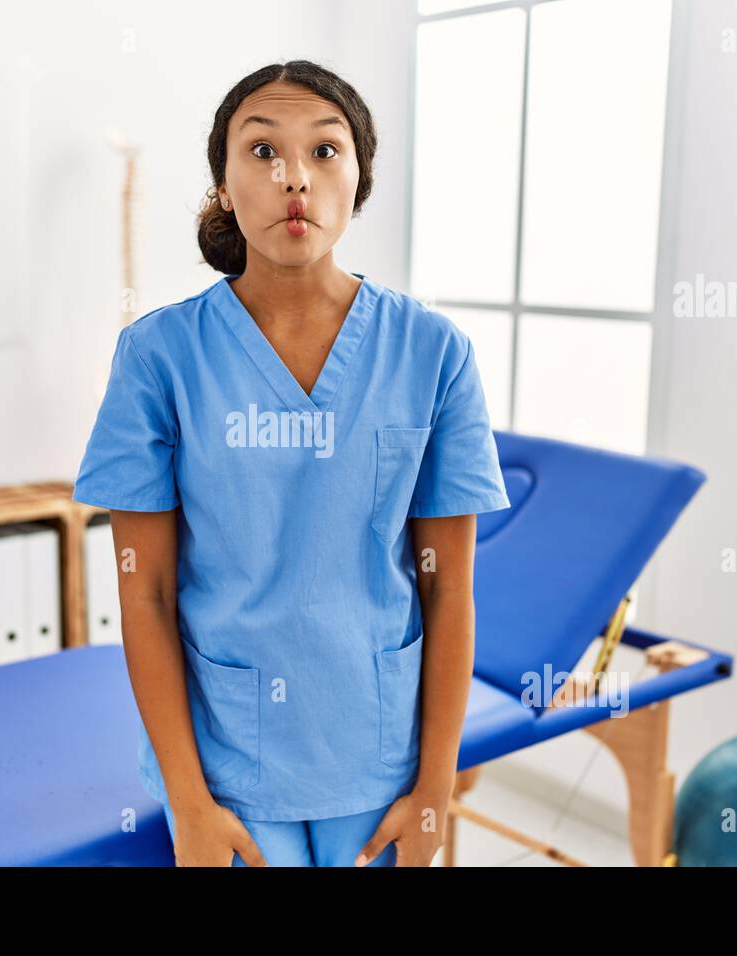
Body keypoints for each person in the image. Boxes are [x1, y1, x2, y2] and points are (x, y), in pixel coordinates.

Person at [73, 60, 510, 867]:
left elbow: (449, 587)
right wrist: (190, 800)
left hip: (375, 751)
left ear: (360, 177)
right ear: (224, 180)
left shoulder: (433, 353)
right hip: (225, 757)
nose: (294, 178)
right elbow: (147, 589)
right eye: (263, 151)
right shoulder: (159, 357)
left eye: (325, 151)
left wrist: (435, 790)